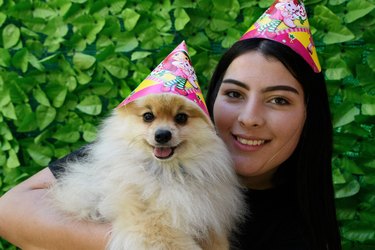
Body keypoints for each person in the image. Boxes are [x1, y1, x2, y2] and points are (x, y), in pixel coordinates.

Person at [0, 1, 342, 249]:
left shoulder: (297, 232)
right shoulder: (138, 154)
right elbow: (9, 211)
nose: (250, 117)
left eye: (279, 100)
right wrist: (143, 239)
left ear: (310, 114)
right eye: (235, 94)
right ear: (208, 102)